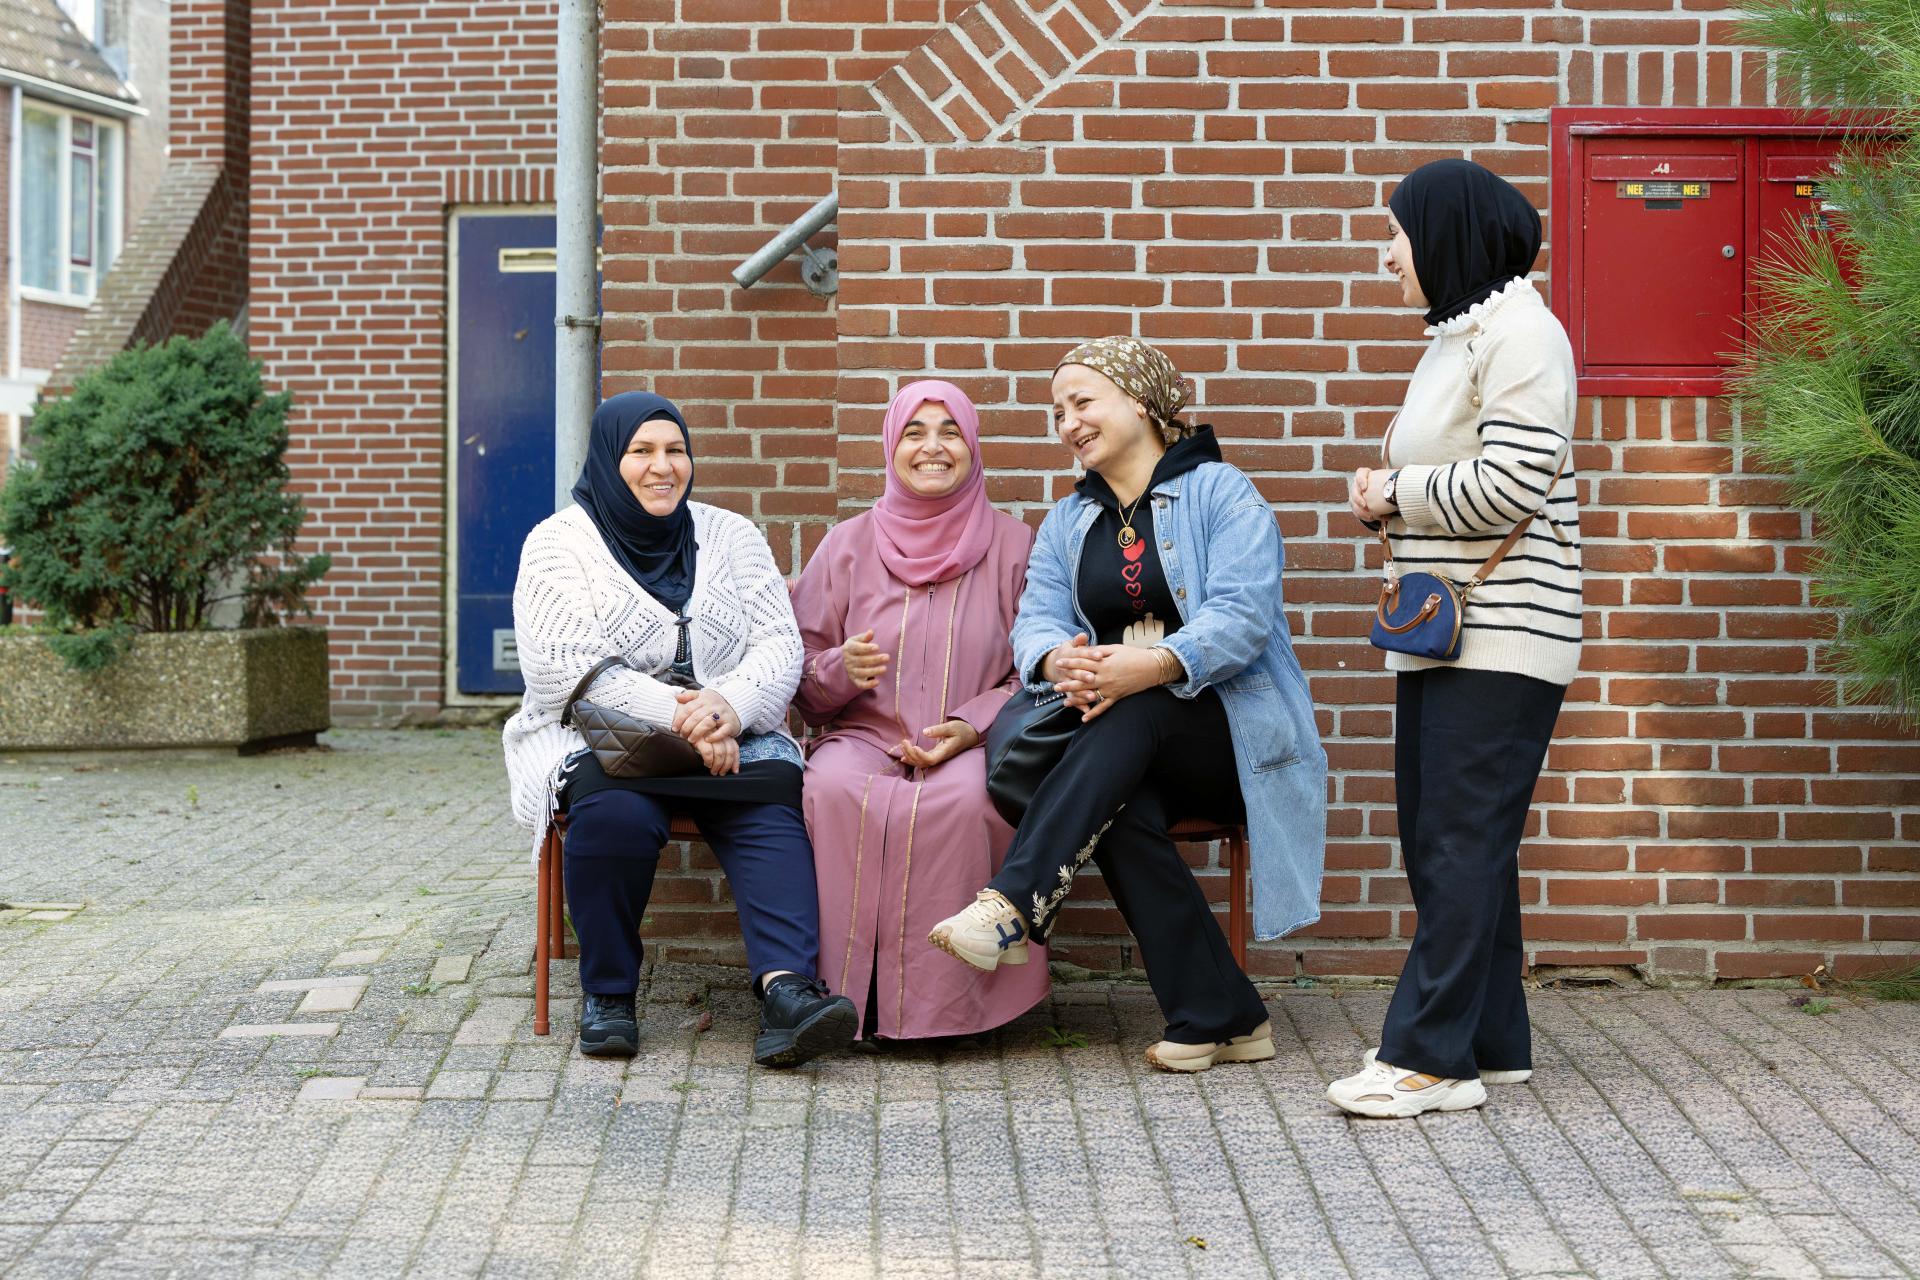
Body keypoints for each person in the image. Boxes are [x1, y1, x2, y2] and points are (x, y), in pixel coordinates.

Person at [926, 337, 1327, 1073]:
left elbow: (1242, 619)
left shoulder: (1222, 493)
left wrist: (1149, 665)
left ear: (1140, 403)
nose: (1068, 423)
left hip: (1228, 735)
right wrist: (1057, 659)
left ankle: (1014, 901)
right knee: (1121, 803)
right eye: (1057, 413)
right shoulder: (1068, 521)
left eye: (1083, 402)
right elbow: (1036, 619)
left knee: (1132, 712)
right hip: (1115, 745)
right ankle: (1224, 1014)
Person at [1328, 159, 1581, 1118]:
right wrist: (1381, 502)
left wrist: (1396, 491)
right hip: (1452, 632)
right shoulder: (1464, 335)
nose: (1387, 251)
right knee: (1456, 839)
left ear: (1445, 234)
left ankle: (1429, 1059)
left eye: (1397, 231)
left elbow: (1512, 483)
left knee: (1457, 840)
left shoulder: (1523, 334)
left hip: (1506, 633)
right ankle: (1488, 1037)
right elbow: (1459, 476)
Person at [502, 391, 857, 1067]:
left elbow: (780, 647)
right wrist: (689, 719)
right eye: (641, 451)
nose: (662, 467)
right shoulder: (557, 545)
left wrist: (728, 706)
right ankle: (608, 994)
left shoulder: (732, 536)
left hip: (734, 740)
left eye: (675, 450)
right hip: (602, 743)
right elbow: (567, 671)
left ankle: (788, 994)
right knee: (613, 816)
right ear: (610, 459)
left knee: (773, 794)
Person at [792, 380, 1046, 1043]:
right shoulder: (847, 544)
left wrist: (972, 724)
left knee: (964, 805)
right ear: (890, 445)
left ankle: (947, 1011)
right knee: (831, 788)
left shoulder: (1017, 547)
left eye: (950, 432)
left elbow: (1037, 669)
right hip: (863, 735)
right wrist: (837, 671)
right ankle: (843, 1001)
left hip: (973, 743)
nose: (932, 447)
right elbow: (799, 668)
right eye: (914, 432)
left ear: (973, 446)